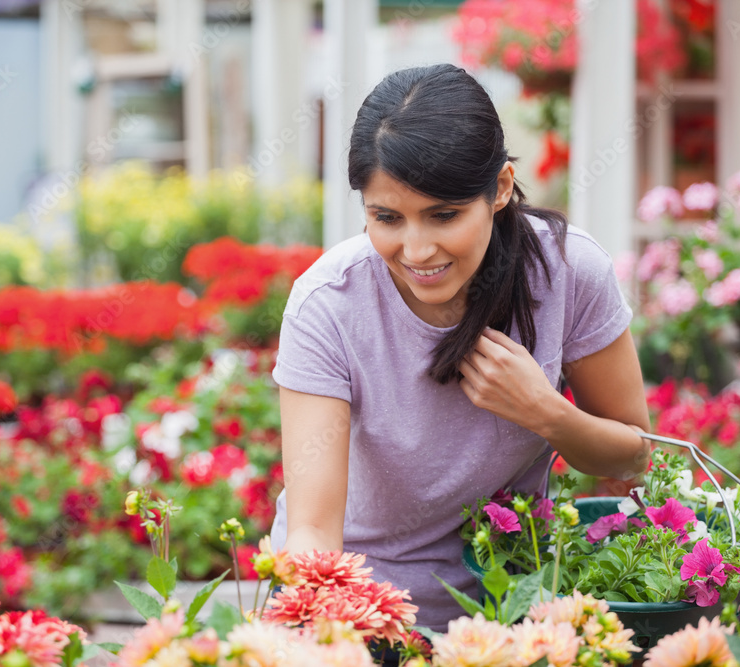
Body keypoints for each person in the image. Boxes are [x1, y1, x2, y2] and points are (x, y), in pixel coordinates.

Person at [268, 63, 651, 632]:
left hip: (513, 606)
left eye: (444, 215)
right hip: (360, 611)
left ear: (498, 188)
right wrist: (332, 627)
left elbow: (632, 455)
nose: (417, 250)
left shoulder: (568, 273)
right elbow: (314, 530)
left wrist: (545, 412)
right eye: (387, 218)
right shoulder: (328, 304)